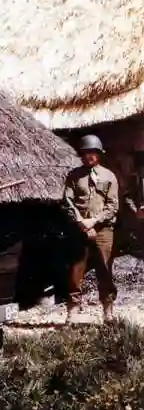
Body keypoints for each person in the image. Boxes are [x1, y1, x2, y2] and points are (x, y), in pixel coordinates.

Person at [62, 134, 119, 324]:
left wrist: (93, 221)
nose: (89, 156)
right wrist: (81, 223)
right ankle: (72, 312)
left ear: (99, 154)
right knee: (76, 271)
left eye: (93, 152)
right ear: (81, 155)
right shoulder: (74, 176)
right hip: (80, 230)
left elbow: (113, 206)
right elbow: (68, 202)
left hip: (103, 230)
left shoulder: (109, 176)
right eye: (86, 153)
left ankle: (108, 311)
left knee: (105, 269)